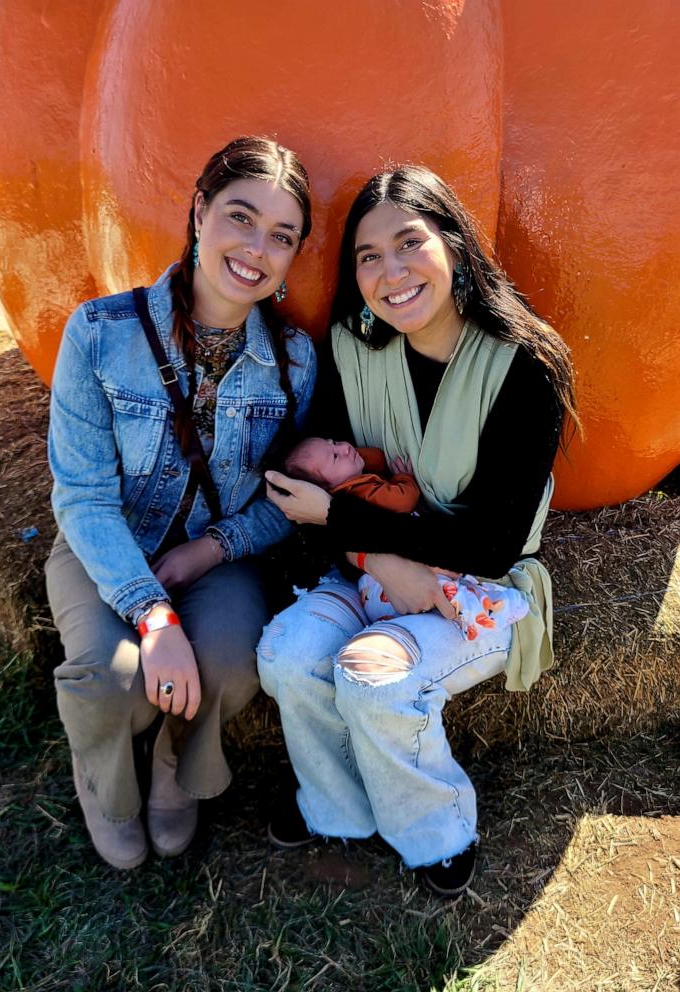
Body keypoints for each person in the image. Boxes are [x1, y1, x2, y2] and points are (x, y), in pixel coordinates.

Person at [257, 165, 578, 898]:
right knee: (285, 653)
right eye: (368, 256)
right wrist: (376, 552)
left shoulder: (525, 370)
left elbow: (494, 543)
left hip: (483, 588)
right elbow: (319, 480)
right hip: (369, 571)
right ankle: (336, 809)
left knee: (374, 681)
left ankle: (436, 833)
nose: (389, 272)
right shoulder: (352, 348)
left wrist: (351, 527)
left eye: (410, 243)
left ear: (456, 249)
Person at [46, 136, 316, 869]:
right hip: (104, 543)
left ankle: (174, 766)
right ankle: (105, 781)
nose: (256, 248)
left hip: (214, 553)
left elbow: (281, 499)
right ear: (199, 210)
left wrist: (210, 549)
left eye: (281, 236)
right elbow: (82, 497)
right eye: (239, 216)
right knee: (113, 680)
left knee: (232, 663)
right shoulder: (100, 335)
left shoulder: (295, 362)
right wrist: (152, 610)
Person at [283, 436, 529, 637]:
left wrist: (351, 456)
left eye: (334, 441)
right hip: (392, 567)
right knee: (445, 588)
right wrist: (405, 479)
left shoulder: (348, 485)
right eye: (336, 456)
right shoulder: (360, 493)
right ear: (328, 489)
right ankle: (484, 615)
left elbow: (376, 457)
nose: (344, 447)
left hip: (372, 583)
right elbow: (403, 499)